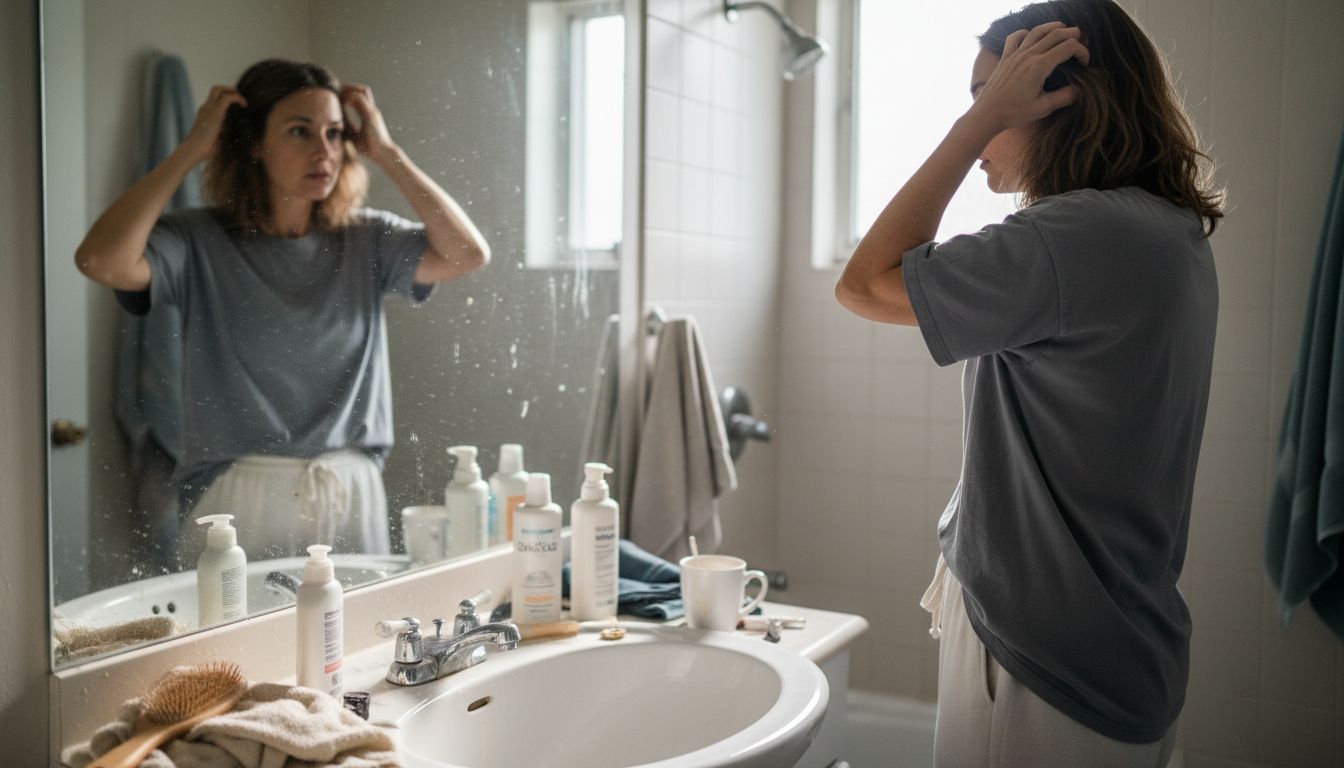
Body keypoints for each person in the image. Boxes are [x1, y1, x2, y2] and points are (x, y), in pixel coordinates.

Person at [834, 1, 1222, 766]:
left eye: (994, 93)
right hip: (1118, 642)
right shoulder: (1165, 229)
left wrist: (974, 127)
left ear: (1059, 101)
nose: (978, 116)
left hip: (1044, 656)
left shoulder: (1077, 237)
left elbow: (864, 283)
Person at [75, 59, 490, 566]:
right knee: (227, 645)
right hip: (237, 496)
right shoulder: (197, 241)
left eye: (335, 134)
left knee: (355, 644)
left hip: (349, 487)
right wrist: (189, 152)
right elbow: (100, 260)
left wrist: (388, 153)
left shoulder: (367, 239)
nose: (324, 152)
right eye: (300, 132)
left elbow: (468, 255)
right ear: (252, 143)